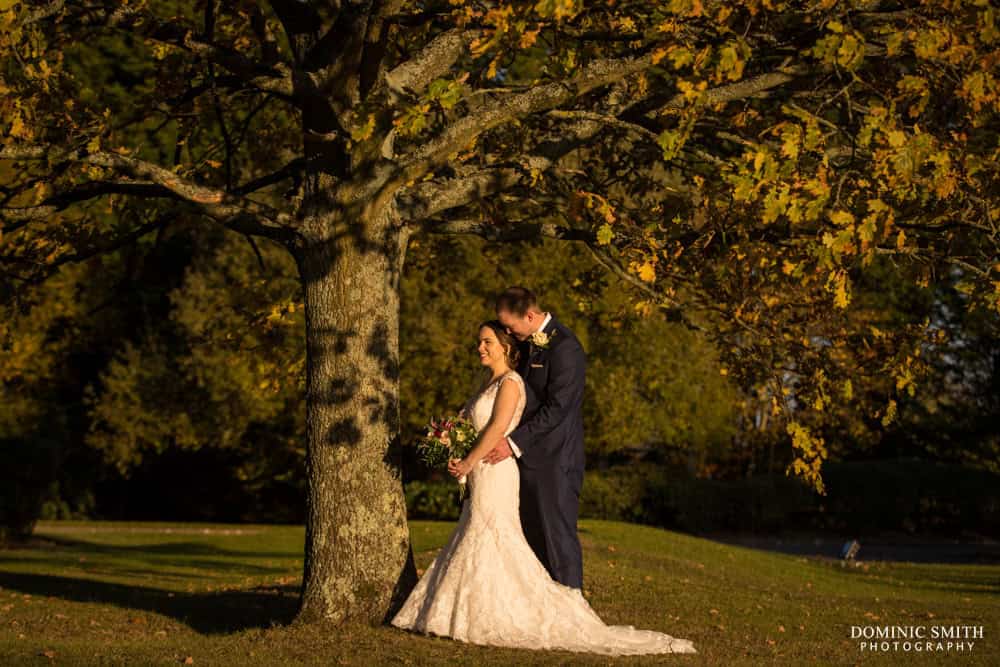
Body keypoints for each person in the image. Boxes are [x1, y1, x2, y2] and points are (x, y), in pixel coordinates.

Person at [389, 314, 696, 655]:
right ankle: (465, 613)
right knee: (475, 533)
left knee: (493, 535)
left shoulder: (509, 384)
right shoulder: (485, 384)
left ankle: (506, 613)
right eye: (479, 342)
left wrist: (469, 460)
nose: (479, 347)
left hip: (497, 470)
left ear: (505, 347)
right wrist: (452, 447)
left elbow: (496, 429)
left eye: (486, 342)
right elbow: (470, 427)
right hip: (481, 471)